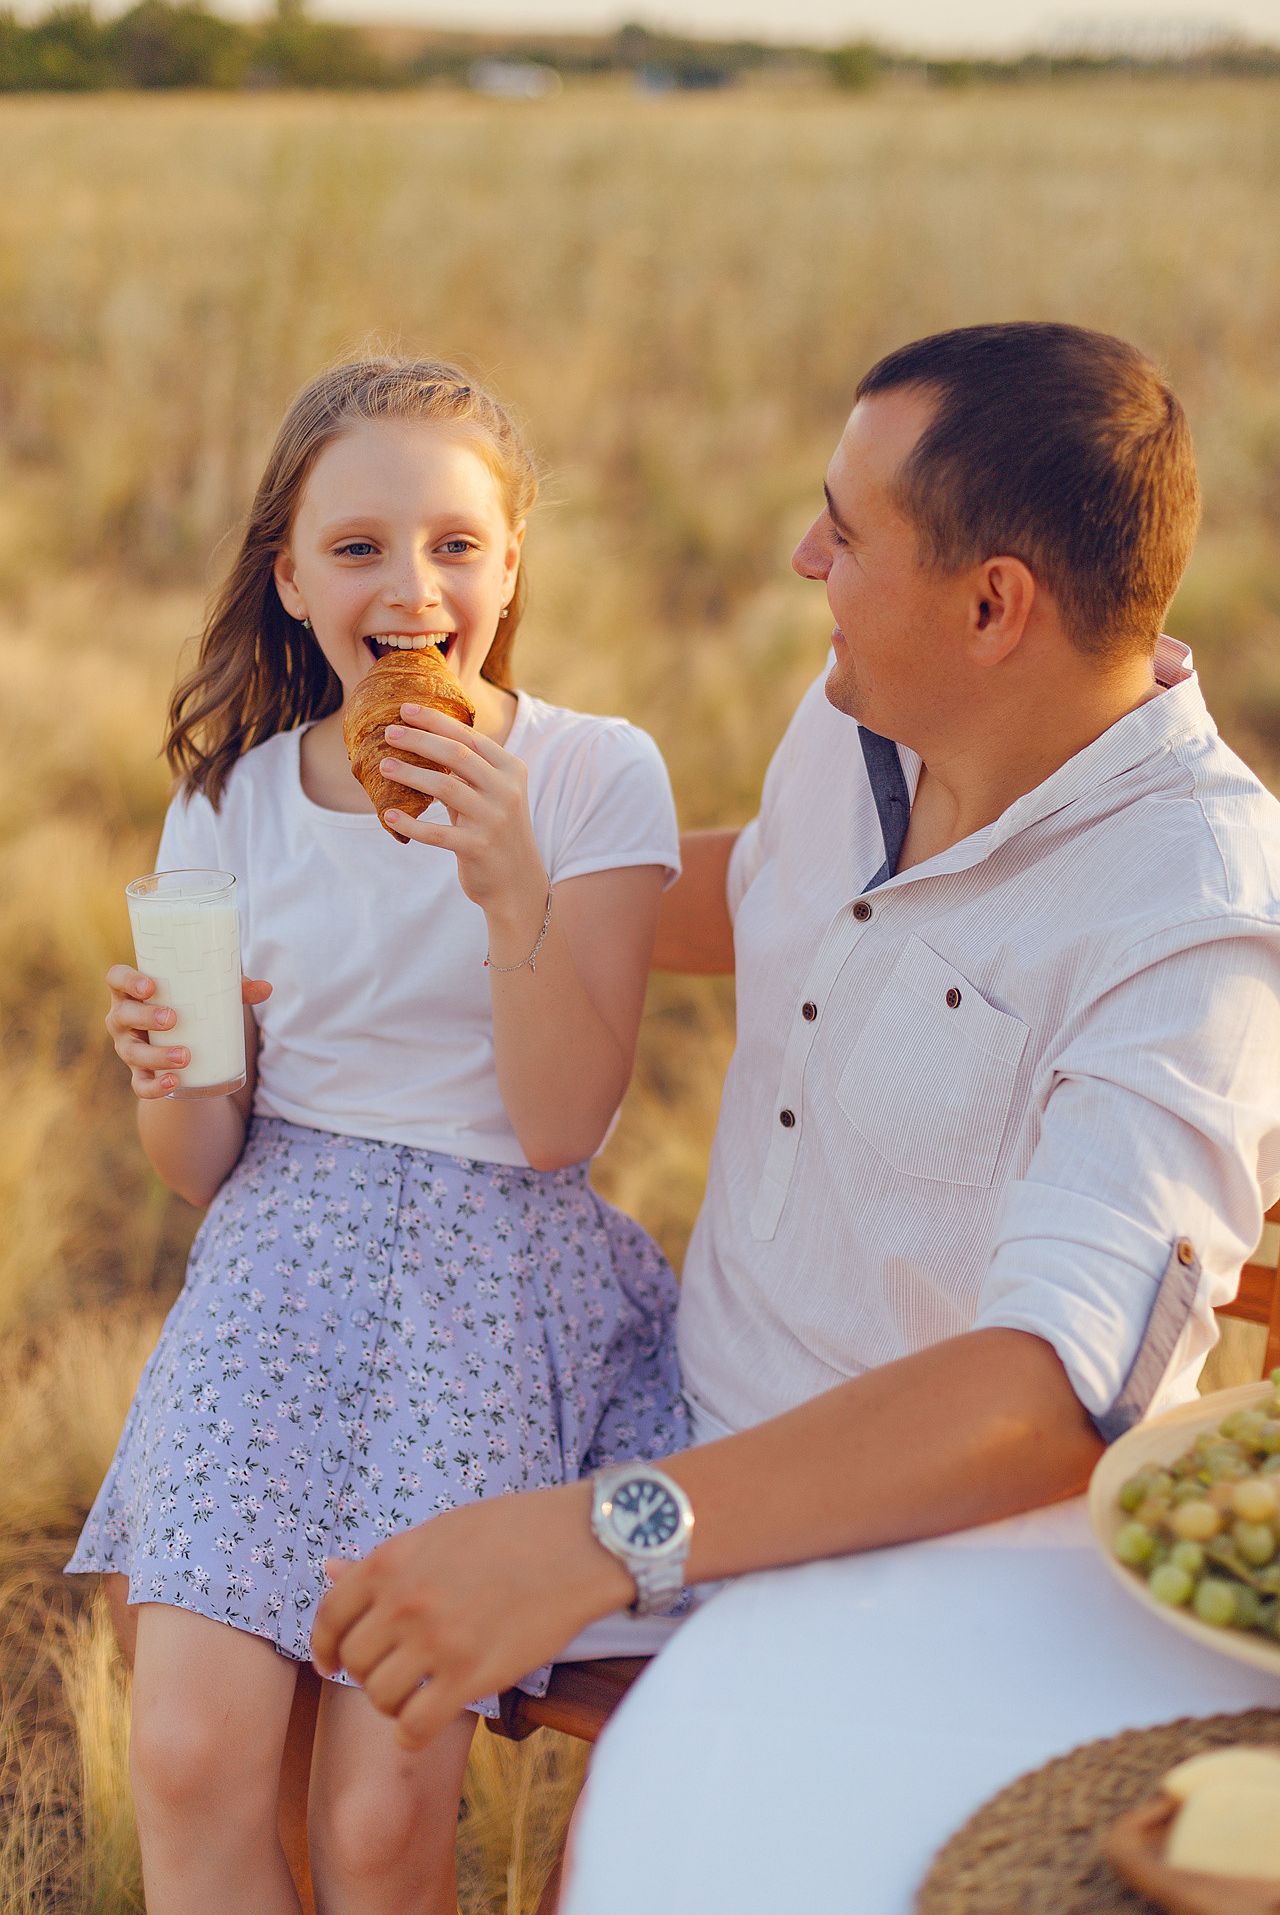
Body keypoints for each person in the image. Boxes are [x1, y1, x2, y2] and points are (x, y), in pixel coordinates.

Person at [310, 321, 1280, 1814]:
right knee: (265, 1604)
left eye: (845, 527)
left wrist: (597, 1533)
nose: (798, 555)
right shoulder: (871, 715)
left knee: (634, 1856)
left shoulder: (1199, 922)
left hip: (917, 1561)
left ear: (990, 606)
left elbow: (1047, 1398)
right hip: (672, 1403)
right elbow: (761, 889)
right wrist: (456, 898)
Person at [68, 357, 687, 1915]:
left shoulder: (596, 775)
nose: (411, 587)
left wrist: (509, 887)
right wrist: (172, 1071)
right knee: (195, 1756)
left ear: (510, 564)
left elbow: (559, 1127)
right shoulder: (231, 801)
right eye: (357, 548)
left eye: (455, 544)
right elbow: (201, 1164)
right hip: (276, 1269)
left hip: (492, 1279)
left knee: (376, 1816)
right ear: (288, 580)